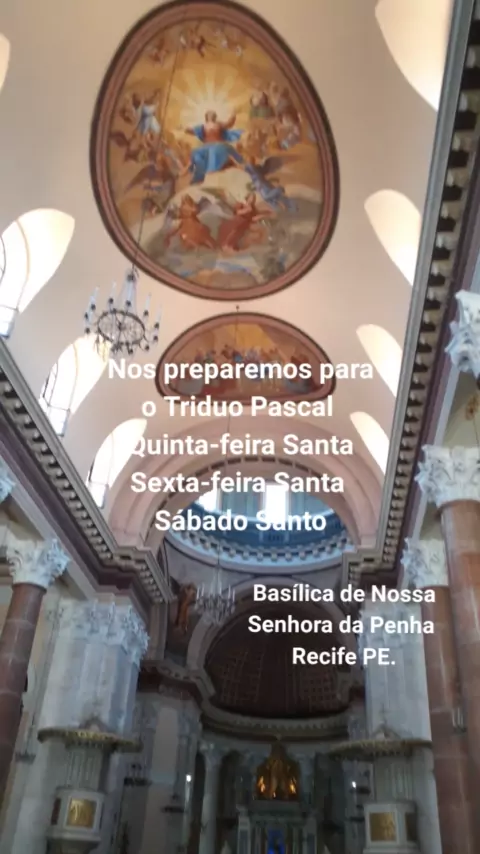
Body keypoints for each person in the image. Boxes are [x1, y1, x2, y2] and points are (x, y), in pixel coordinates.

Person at [182, 111, 243, 183]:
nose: (210, 116)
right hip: (207, 146)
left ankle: (211, 172)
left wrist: (233, 114)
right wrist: (184, 128)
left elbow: (229, 124)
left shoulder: (219, 124)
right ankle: (197, 175)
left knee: (217, 151)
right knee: (196, 153)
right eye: (209, 115)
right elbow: (191, 131)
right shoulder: (202, 126)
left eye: (212, 115)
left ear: (214, 117)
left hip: (218, 145)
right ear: (206, 117)